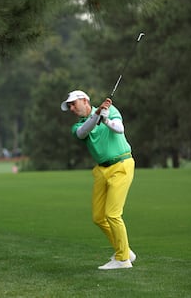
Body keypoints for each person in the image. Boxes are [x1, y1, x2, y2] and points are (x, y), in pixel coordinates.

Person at [60, 90, 136, 270]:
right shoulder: (77, 127)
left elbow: (120, 128)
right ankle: (125, 250)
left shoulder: (111, 110)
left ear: (85, 100)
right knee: (98, 217)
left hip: (121, 165)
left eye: (73, 104)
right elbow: (82, 132)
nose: (71, 108)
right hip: (101, 170)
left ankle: (123, 259)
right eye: (69, 106)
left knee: (112, 214)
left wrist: (106, 118)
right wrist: (96, 115)